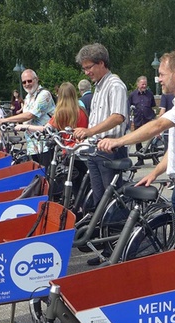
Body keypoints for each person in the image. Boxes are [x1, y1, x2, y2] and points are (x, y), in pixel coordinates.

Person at [99, 49, 175, 248]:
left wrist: (119, 141)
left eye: (162, 74)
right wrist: (154, 173)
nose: (159, 79)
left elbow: (157, 125)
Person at [72, 43, 129, 204]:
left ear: (101, 63)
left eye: (88, 67)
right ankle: (102, 227)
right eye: (84, 68)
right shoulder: (99, 86)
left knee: (111, 199)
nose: (86, 72)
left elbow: (118, 117)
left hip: (110, 148)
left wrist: (89, 131)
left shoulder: (115, 85)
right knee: (98, 197)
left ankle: (116, 227)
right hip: (95, 148)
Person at [0, 69, 56, 167]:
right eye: (24, 82)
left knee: (47, 175)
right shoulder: (28, 97)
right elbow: (24, 117)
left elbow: (30, 115)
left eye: (29, 81)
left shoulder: (44, 94)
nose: (27, 84)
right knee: (37, 175)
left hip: (45, 142)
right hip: (32, 144)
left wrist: (6, 120)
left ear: (36, 79)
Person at [127, 75, 156, 166]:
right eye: (142, 84)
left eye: (145, 84)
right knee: (138, 140)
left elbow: (152, 106)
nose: (144, 86)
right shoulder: (132, 95)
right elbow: (129, 107)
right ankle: (140, 159)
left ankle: (155, 158)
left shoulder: (150, 94)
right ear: (138, 84)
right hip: (138, 120)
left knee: (152, 140)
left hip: (148, 120)